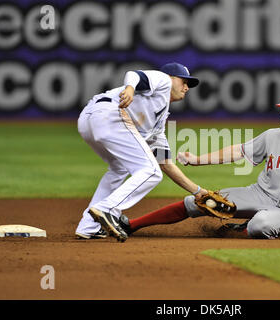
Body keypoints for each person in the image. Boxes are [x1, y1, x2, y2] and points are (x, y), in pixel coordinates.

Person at [121, 91, 280, 240]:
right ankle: (131, 225)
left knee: (260, 226)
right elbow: (237, 151)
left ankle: (244, 227)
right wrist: (198, 160)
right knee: (201, 202)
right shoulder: (272, 136)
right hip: (258, 194)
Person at [75, 62, 208, 241]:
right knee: (151, 172)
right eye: (184, 81)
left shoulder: (158, 122)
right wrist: (130, 89)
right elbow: (135, 74)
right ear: (171, 78)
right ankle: (107, 209)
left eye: (188, 85)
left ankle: (88, 226)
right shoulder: (163, 80)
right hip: (110, 113)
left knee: (119, 168)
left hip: (89, 121)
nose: (186, 87)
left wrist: (198, 191)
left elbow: (165, 162)